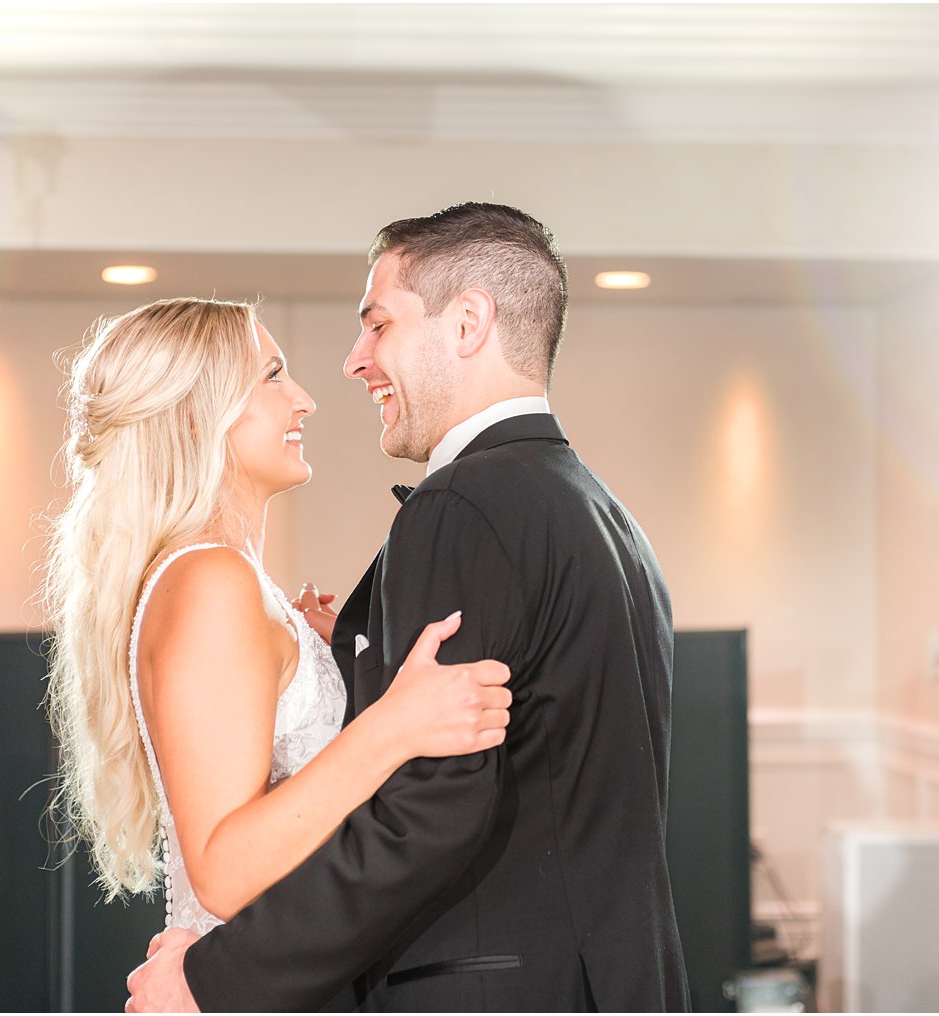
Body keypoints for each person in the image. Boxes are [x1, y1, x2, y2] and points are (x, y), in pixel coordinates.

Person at [126, 203, 690, 1012]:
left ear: (468, 323)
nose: (354, 362)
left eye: (378, 324)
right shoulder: (602, 513)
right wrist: (347, 645)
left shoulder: (463, 504)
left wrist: (216, 980)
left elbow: (428, 813)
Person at [43, 298, 514, 944]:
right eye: (272, 376)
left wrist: (328, 657)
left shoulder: (217, 579)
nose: (305, 401)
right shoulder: (212, 581)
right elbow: (223, 870)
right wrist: (393, 726)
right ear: (194, 417)